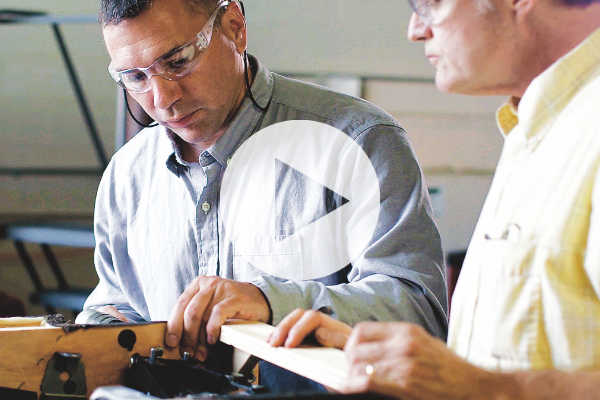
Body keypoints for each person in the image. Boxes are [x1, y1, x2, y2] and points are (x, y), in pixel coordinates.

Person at [76, 0, 448, 392]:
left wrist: (270, 303)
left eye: (178, 61)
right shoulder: (127, 173)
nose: (162, 98)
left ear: (234, 26)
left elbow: (417, 314)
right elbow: (117, 303)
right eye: (135, 77)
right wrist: (102, 329)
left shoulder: (357, 141)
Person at [271, 0, 600, 398]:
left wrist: (486, 389)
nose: (415, 29)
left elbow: (487, 386)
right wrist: (385, 362)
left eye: (430, 5)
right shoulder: (535, 129)